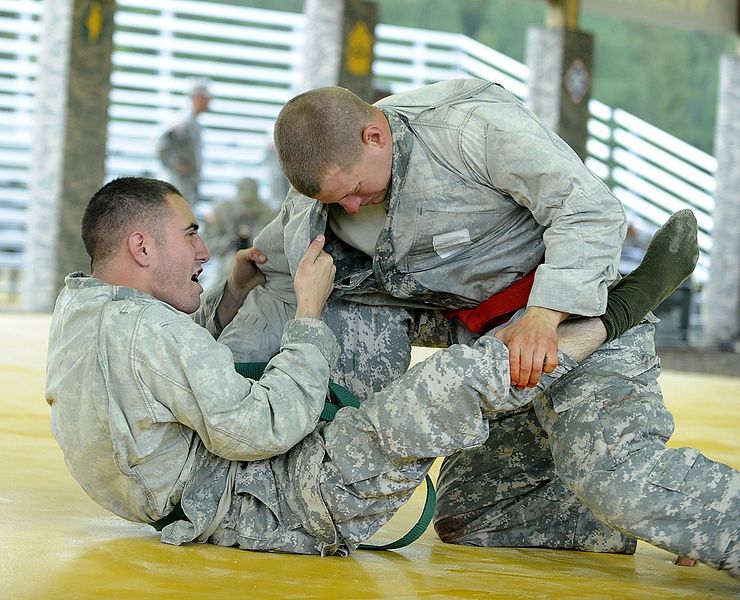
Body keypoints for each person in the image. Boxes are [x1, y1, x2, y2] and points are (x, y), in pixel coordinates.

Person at [217, 79, 738, 576]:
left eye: (354, 190)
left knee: (618, 482)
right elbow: (280, 277)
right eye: (336, 201)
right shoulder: (321, 192)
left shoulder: (470, 128)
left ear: (374, 136)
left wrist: (544, 313)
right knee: (470, 519)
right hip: (481, 334)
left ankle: (683, 502)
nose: (349, 207)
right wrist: (230, 322)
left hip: (570, 314)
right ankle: (677, 510)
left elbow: (591, 211)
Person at [46, 175, 656, 558]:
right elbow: (262, 428)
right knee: (440, 391)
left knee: (372, 326)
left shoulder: (87, 314)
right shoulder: (144, 331)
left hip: (210, 493)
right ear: (142, 247)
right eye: (190, 234)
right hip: (278, 500)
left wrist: (231, 296)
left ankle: (518, 326)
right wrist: (308, 312)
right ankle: (615, 317)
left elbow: (164, 373)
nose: (204, 249)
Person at [157, 79, 211, 206]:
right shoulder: (183, 122)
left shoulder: (194, 123)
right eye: (206, 97)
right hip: (178, 186)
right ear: (197, 98)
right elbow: (160, 146)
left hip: (188, 187)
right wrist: (177, 165)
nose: (209, 102)